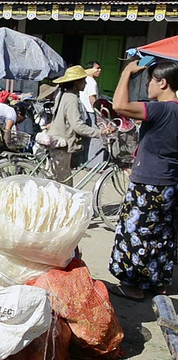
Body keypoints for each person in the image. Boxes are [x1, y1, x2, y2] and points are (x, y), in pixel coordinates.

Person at [107, 60, 178, 300]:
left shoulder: (161, 109)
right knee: (162, 233)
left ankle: (133, 286)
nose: (147, 85)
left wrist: (127, 72)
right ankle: (157, 284)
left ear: (163, 82)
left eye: (150, 80)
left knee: (135, 231)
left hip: (148, 181)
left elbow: (119, 105)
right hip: (170, 181)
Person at [48, 65, 113, 186]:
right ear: (76, 82)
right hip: (62, 143)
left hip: (56, 139)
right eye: (83, 81)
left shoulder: (63, 94)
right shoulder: (71, 98)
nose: (85, 83)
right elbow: (78, 126)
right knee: (64, 185)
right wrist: (99, 132)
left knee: (58, 180)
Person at [79, 61, 103, 167]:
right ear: (89, 69)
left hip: (82, 112)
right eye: (97, 68)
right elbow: (92, 99)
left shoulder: (82, 81)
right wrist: (100, 114)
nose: (99, 70)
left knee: (85, 138)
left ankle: (84, 161)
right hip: (90, 112)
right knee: (96, 137)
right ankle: (94, 164)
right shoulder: (92, 82)